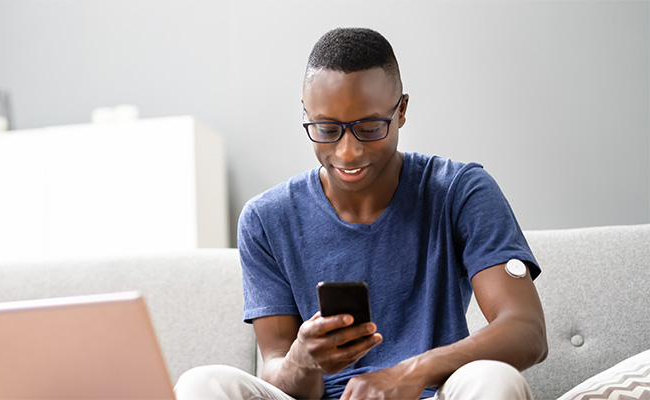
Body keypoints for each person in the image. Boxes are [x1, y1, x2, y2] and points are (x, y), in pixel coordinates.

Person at [174, 27, 548, 400]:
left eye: (369, 128)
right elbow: (276, 368)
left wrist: (410, 372)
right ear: (305, 114)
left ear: (401, 111)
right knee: (202, 383)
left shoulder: (459, 191)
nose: (348, 152)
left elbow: (526, 329)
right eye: (326, 129)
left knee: (493, 380)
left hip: (429, 393)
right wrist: (302, 361)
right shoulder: (266, 219)